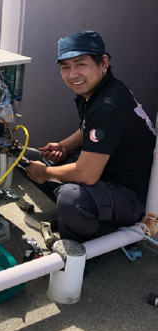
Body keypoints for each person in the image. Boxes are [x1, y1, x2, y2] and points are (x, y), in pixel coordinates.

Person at [24, 30, 156, 243]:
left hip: (133, 197)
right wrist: (64, 146)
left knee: (70, 198)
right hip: (108, 171)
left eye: (81, 64)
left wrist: (46, 173)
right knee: (29, 159)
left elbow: (87, 174)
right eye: (65, 67)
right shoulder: (105, 89)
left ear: (103, 62)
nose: (72, 74)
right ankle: (88, 214)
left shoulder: (107, 106)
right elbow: (89, 129)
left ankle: (80, 254)